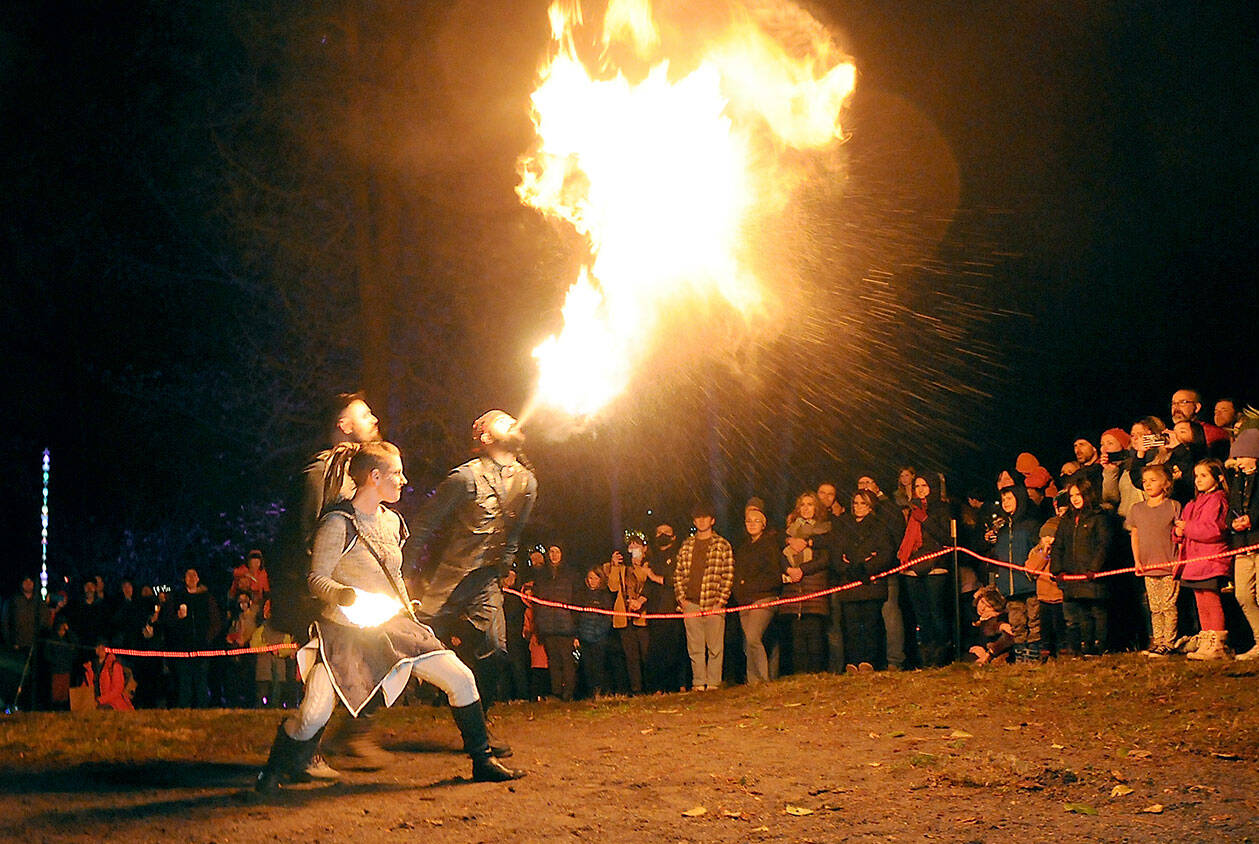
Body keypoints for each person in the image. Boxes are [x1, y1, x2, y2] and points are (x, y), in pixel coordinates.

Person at [254, 441, 523, 791]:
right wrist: (346, 596)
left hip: (393, 629)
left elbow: (392, 571)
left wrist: (405, 604)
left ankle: (483, 760)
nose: (403, 479)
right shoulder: (337, 523)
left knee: (461, 678)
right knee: (312, 715)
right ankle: (273, 773)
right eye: (396, 473)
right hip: (345, 634)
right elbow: (317, 579)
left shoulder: (392, 521)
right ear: (374, 476)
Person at [408, 410, 536, 716]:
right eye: (502, 421)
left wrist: (504, 565)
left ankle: (479, 727)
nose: (513, 422)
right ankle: (355, 728)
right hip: (446, 582)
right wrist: (404, 574)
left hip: (485, 581)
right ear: (486, 437)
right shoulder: (464, 478)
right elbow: (424, 525)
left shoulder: (527, 481)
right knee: (405, 648)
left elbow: (515, 532)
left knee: (496, 650)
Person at [829, 490, 894, 671]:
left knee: (871, 623)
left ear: (870, 506)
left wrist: (866, 568)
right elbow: (836, 553)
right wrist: (848, 569)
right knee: (851, 625)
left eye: (862, 503)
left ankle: (871, 660)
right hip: (849, 583)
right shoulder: (844, 526)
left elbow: (885, 554)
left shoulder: (880, 526)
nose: (858, 507)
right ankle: (853, 660)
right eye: (855, 503)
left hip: (871, 583)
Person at [1176, 459, 1233, 661]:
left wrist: (1187, 528)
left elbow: (1214, 530)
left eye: (1203, 475)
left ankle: (1217, 642)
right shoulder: (1194, 503)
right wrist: (1178, 532)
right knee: (1201, 602)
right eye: (1196, 475)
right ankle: (1207, 638)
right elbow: (1186, 528)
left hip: (1211, 559)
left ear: (1217, 478)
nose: (1198, 480)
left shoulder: (1218, 500)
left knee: (1211, 600)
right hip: (1195, 561)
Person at [673, 503, 734, 691]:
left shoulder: (722, 544)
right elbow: (679, 574)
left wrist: (721, 602)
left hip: (713, 602)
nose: (701, 520)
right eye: (698, 517)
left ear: (712, 520)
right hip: (691, 603)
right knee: (695, 646)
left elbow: (728, 575)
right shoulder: (687, 545)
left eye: (705, 517)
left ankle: (714, 682)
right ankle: (699, 682)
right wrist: (682, 599)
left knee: (715, 646)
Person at [1050, 480, 1112, 657]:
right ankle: (1087, 646)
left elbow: (1104, 545)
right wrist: (1057, 570)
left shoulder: (1098, 517)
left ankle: (1102, 647)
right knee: (1082, 613)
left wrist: (1094, 568)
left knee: (1098, 612)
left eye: (1079, 495)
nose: (1075, 499)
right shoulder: (1067, 520)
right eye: (1072, 496)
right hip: (1073, 575)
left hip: (1092, 575)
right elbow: (1058, 546)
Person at [1126, 464, 1182, 657]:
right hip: (1148, 565)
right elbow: (1135, 536)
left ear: (1165, 483)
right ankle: (1157, 641)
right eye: (1145, 481)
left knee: (1168, 606)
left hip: (1169, 565)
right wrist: (1137, 561)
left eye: (1153, 480)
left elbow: (1179, 536)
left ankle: (1169, 641)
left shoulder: (1173, 506)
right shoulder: (1137, 509)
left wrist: (1179, 561)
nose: (1148, 484)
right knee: (1155, 607)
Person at [897, 475, 953, 667]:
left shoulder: (942, 508)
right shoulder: (909, 510)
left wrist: (926, 519)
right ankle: (926, 655)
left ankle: (942, 655)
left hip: (935, 565)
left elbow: (947, 537)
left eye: (925, 485)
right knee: (921, 614)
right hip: (913, 565)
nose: (920, 489)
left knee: (936, 610)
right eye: (917, 486)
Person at [983, 486, 1041, 661]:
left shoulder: (1030, 525)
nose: (1006, 503)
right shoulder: (1001, 528)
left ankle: (1034, 653)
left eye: (1010, 498)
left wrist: (1033, 569)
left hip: (1028, 582)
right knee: (1017, 622)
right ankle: (1021, 653)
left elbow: (1039, 550)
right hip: (1009, 584)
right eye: (1004, 499)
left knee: (1034, 620)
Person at [781, 491, 831, 674]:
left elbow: (825, 558)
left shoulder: (823, 530)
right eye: (803, 504)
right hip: (793, 589)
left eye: (810, 504)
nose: (806, 508)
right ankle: (800, 674)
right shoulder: (789, 532)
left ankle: (817, 673)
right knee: (797, 637)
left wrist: (803, 570)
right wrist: (789, 570)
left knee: (815, 634)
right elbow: (781, 555)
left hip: (814, 586)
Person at [733, 498, 781, 683]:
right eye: (748, 521)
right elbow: (738, 575)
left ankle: (762, 679)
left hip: (764, 598)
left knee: (753, 637)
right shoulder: (744, 548)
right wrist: (740, 592)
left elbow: (773, 575)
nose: (752, 524)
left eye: (756, 521)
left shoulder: (770, 545)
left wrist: (752, 588)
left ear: (764, 524)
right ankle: (752, 680)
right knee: (748, 643)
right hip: (744, 600)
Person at [161, 567, 221, 707]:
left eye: (194, 575)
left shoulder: (207, 597)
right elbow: (168, 620)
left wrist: (207, 638)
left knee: (201, 683)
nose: (192, 578)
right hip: (183, 648)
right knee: (184, 684)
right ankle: (184, 711)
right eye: (188, 575)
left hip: (202, 648)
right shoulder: (177, 597)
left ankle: (202, 711)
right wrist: (178, 618)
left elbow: (216, 621)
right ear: (184, 579)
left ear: (198, 578)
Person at [1226, 428, 1259, 660]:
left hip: (1258, 540)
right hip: (1242, 544)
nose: (1238, 461)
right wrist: (1232, 523)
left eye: (1241, 455)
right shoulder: (1237, 480)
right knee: (1244, 595)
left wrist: (1253, 519)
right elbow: (1231, 508)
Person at [644, 523, 687, 693]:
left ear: (674, 537)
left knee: (676, 649)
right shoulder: (653, 558)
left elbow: (675, 580)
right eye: (659, 532)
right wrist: (639, 601)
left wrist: (653, 576)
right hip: (655, 611)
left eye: (666, 532)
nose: (662, 535)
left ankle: (680, 685)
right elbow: (648, 586)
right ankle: (658, 687)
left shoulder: (678, 556)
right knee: (657, 651)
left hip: (673, 609)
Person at [532, 544, 578, 701]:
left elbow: (575, 600)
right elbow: (536, 602)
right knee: (553, 660)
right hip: (547, 624)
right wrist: (538, 625)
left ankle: (569, 693)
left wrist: (574, 624)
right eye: (551, 552)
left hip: (565, 624)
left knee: (567, 659)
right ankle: (556, 691)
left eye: (557, 551)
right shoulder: (541, 575)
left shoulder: (570, 574)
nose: (554, 555)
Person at [607, 535, 651, 694]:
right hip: (624, 617)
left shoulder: (647, 565)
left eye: (636, 547)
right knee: (631, 656)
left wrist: (638, 567)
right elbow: (612, 587)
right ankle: (636, 688)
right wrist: (614, 566)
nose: (633, 550)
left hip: (642, 617)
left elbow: (645, 583)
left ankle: (650, 686)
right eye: (630, 547)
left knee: (646, 654)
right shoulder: (621, 569)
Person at [575, 567, 615, 697]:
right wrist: (578, 635)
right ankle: (590, 693)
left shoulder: (604, 596)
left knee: (599, 666)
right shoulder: (581, 595)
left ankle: (601, 691)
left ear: (600, 579)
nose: (592, 581)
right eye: (590, 578)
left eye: (595, 578)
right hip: (585, 636)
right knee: (587, 667)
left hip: (599, 637)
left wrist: (599, 632)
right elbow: (577, 616)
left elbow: (607, 617)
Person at [82, 640, 134, 711]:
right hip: (94, 704)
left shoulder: (114, 666)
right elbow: (85, 688)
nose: (100, 649)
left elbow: (117, 690)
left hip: (114, 704)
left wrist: (100, 701)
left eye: (103, 647)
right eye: (98, 646)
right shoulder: (90, 667)